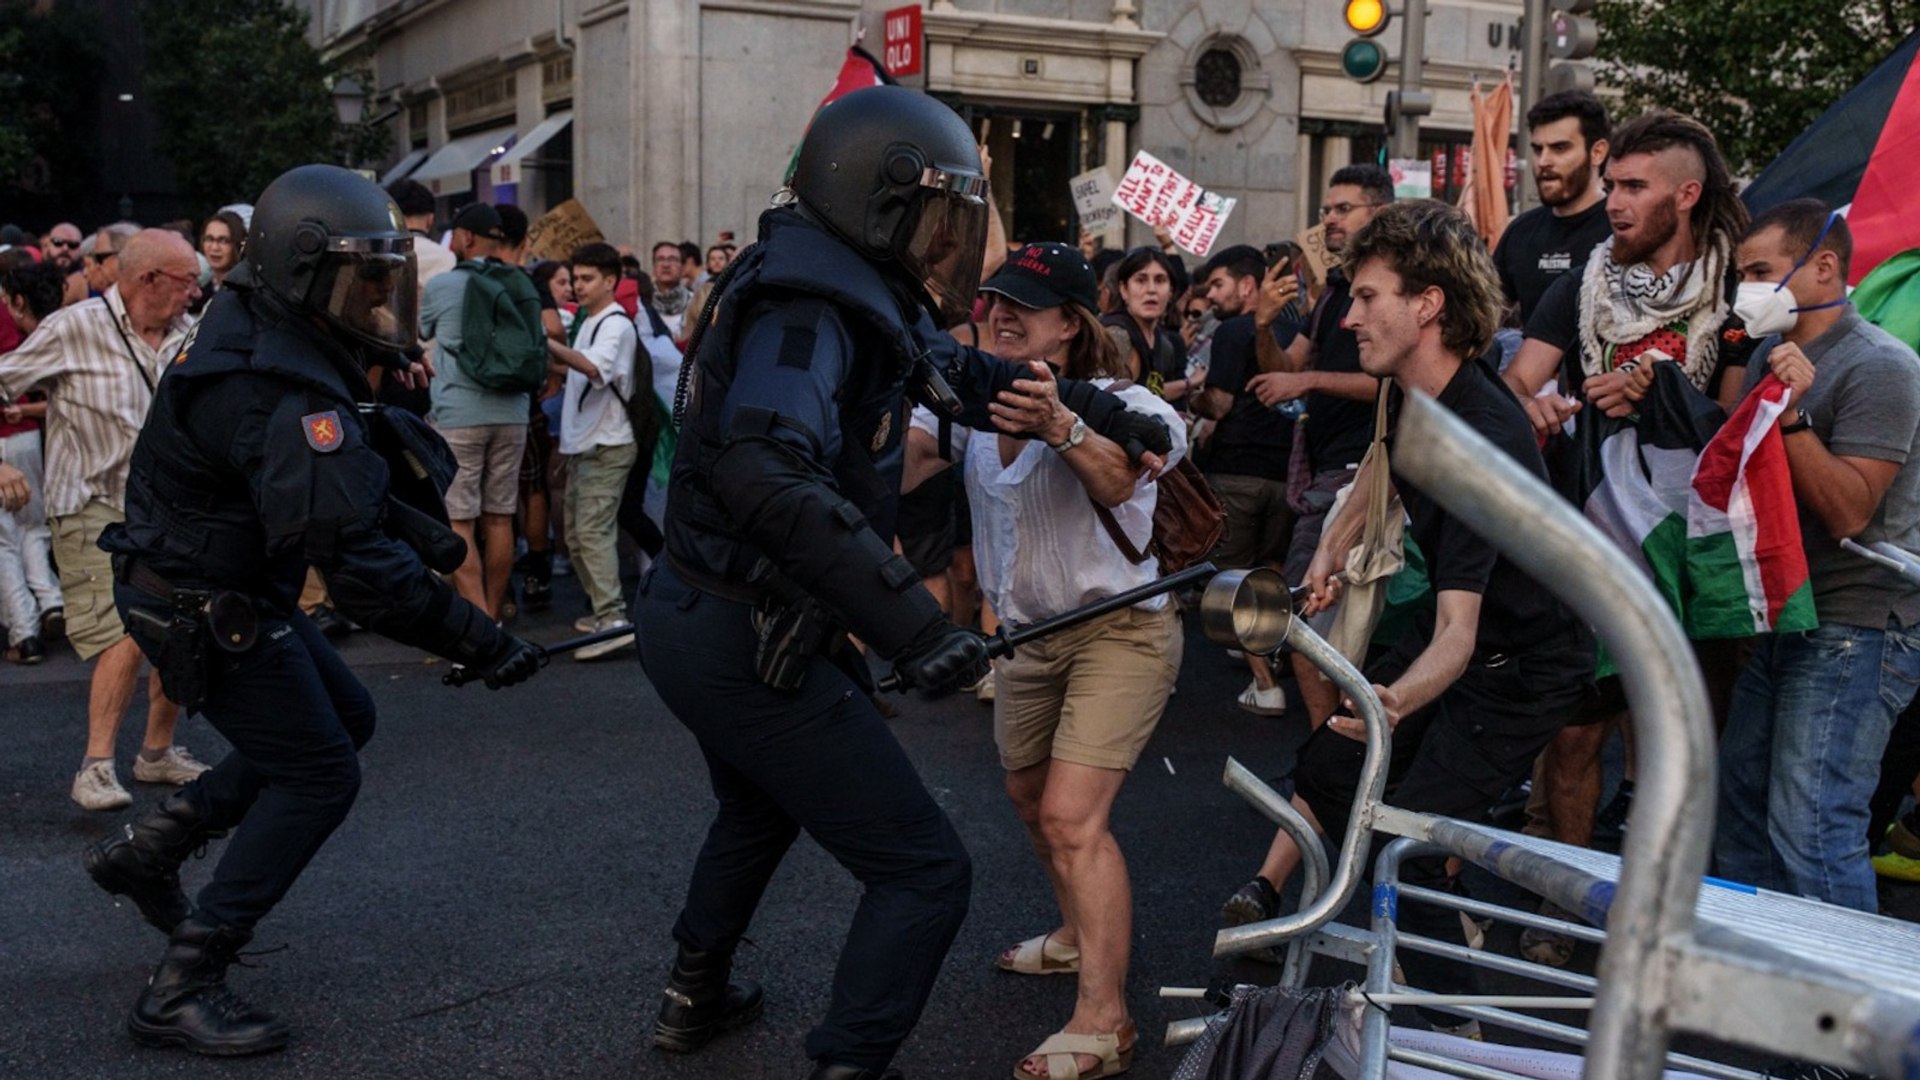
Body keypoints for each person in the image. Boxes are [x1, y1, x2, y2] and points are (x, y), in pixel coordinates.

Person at [636, 85, 1170, 1080]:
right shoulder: (809, 307)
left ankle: (693, 993)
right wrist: (914, 629)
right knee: (923, 873)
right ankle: (846, 1060)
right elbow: (763, 469)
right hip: (742, 632)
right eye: (938, 218)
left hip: (701, 615)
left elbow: (965, 376)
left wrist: (1111, 415)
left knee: (758, 809)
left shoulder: (840, 283)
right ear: (880, 199)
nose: (948, 244)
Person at [82, 164, 543, 1057]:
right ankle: (183, 981)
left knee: (344, 717)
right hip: (201, 599)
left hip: (220, 584)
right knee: (318, 774)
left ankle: (151, 850)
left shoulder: (263, 326)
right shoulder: (273, 385)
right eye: (362, 281)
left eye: (384, 278)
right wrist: (482, 640)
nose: (378, 298)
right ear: (301, 272)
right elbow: (359, 568)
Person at [1269, 199, 1594, 1036]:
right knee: (1330, 772)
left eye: (1368, 297)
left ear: (1428, 304)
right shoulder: (1413, 394)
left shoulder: (1479, 441)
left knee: (1398, 850)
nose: (1348, 317)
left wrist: (1394, 702)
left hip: (1519, 666)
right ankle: (1395, 940)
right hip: (1468, 646)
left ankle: (1455, 1029)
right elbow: (1382, 463)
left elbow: (1459, 635)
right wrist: (1331, 545)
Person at [906, 242, 1184, 1080]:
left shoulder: (1132, 404)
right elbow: (903, 464)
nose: (998, 313)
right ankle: (1071, 936)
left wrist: (1062, 425)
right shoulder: (971, 404)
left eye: (1023, 304)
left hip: (1120, 630)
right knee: (1030, 799)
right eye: (992, 299)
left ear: (1071, 324)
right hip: (1025, 637)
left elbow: (1118, 481)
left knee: (1071, 816)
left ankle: (1107, 1023)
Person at [1500, 112, 1758, 935]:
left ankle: (1657, 911)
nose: (1613, 200)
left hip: (1698, 553)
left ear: (1685, 195)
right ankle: (1567, 915)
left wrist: (1662, 390)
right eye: (1611, 184)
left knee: (1676, 736)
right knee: (1575, 737)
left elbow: (1741, 422)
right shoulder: (1579, 286)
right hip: (1597, 539)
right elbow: (1515, 385)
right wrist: (1535, 403)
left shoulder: (1739, 294)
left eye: (1633, 186)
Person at [1715, 199, 1920, 911]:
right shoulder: (1774, 357)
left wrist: (1795, 416)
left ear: (1824, 267)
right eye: (1742, 274)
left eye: (1762, 272)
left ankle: (1853, 1013)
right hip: (1789, 617)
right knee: (1740, 811)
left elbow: (1851, 510)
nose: (1748, 289)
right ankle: (1757, 996)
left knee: (1814, 830)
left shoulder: (1882, 366)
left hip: (1858, 623)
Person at [0, 228, 205, 810]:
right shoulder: (75, 327)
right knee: (126, 631)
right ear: (147, 281)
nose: (195, 293)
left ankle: (157, 753)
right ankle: (94, 767)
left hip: (167, 505)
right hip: (90, 503)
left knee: (181, 624)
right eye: (187, 282)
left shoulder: (189, 335)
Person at [1188, 244, 1297, 715]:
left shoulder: (1233, 331)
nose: (1211, 295)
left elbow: (1220, 404)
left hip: (1236, 472)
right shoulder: (1298, 329)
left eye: (1218, 284)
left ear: (1248, 286)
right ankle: (1268, 650)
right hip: (1287, 474)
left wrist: (1194, 394)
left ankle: (1265, 681)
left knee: (1233, 580)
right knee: (1271, 571)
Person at [421, 203, 532, 621]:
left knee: (460, 521)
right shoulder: (519, 283)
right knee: (500, 518)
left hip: (458, 414)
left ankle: (480, 623)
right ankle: (497, 615)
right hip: (513, 413)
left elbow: (424, 330)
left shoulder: (443, 286)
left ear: (465, 238)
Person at [545, 242, 639, 660]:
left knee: (592, 533)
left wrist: (543, 342)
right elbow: (577, 366)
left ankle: (613, 619)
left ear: (610, 281)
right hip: (586, 443)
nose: (577, 286)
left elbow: (592, 368)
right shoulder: (592, 321)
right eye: (575, 278)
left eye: (586, 279)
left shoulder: (616, 324)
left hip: (608, 444)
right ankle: (603, 613)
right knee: (577, 536)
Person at [1492, 91, 1613, 326]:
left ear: (1597, 152)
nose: (1543, 161)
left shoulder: (1621, 228)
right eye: (1538, 149)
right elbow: (1483, 313)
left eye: (1560, 148)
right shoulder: (1521, 231)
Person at [0, 260, 67, 663]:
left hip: (6, 438)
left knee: (4, 540)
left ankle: (25, 634)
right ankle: (50, 600)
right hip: (26, 433)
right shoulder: (45, 325)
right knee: (32, 528)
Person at [1101, 245, 1194, 405]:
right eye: (1140, 280)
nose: (1151, 290)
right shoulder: (1115, 335)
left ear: (1170, 291)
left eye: (1160, 280)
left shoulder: (1164, 344)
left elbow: (1154, 395)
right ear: (1124, 289)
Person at [649, 241, 691, 338]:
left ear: (682, 267)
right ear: (654, 267)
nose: (666, 265)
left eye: (672, 259)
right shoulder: (642, 304)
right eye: (660, 259)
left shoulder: (693, 302)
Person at [199, 210, 248, 293]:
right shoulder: (200, 293)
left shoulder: (246, 293)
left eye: (224, 241)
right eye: (209, 239)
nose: (214, 247)